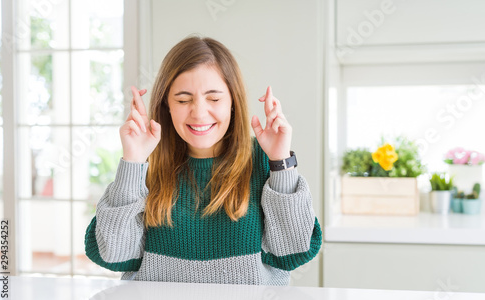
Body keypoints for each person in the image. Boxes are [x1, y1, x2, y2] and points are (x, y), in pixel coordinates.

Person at [84, 35, 322, 285]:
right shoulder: (144, 163)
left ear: (233, 102)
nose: (198, 112)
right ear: (166, 104)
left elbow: (295, 251)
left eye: (214, 98)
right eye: (183, 100)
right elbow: (112, 254)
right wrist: (132, 162)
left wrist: (281, 161)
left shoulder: (266, 161)